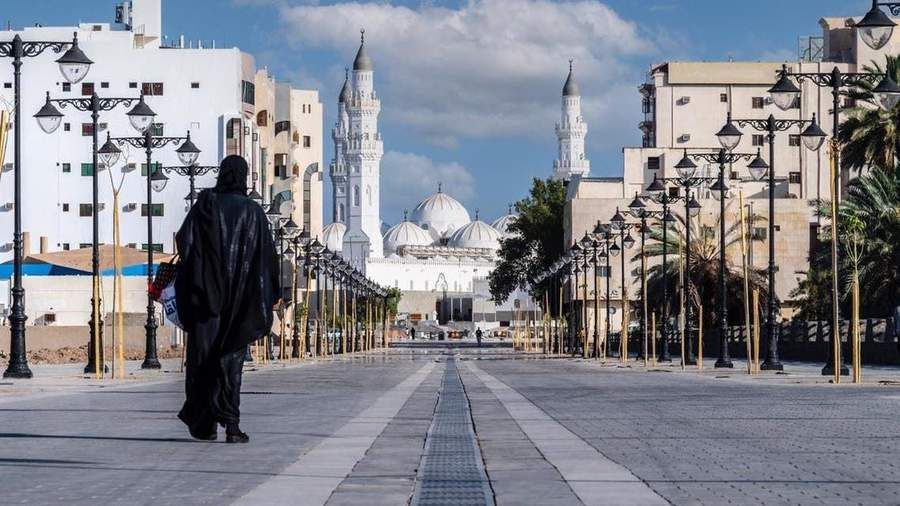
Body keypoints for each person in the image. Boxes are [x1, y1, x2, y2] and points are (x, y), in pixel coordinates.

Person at [175, 155, 279, 443]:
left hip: (206, 299)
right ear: (243, 177)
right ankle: (231, 426)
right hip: (241, 302)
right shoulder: (253, 212)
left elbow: (185, 242)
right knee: (231, 362)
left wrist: (203, 271)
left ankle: (204, 423)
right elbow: (268, 257)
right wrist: (274, 294)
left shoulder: (206, 205)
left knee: (202, 359)